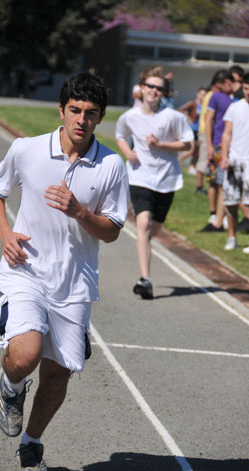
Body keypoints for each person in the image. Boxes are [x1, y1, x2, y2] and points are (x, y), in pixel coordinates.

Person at [0, 72, 129, 471]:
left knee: (57, 373)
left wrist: (80, 211)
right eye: (76, 110)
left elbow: (113, 231)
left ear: (100, 119)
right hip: (25, 270)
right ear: (62, 110)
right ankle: (11, 386)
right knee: (26, 355)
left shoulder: (111, 165)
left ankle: (31, 444)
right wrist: (4, 233)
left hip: (75, 283)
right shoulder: (26, 150)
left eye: (91, 113)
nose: (82, 119)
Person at [115, 66, 193, 299]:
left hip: (166, 179)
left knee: (153, 230)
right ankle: (145, 279)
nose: (154, 91)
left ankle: (145, 247)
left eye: (159, 88)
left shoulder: (174, 117)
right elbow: (120, 135)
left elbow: (188, 143)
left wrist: (162, 145)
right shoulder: (130, 116)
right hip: (139, 176)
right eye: (150, 86)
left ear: (164, 93)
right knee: (143, 223)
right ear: (141, 88)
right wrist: (127, 152)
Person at [200, 69, 233, 232]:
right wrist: (210, 145)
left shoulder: (233, 97)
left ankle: (223, 216)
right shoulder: (216, 96)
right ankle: (215, 215)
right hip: (219, 144)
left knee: (222, 182)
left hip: (228, 144)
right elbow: (208, 119)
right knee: (215, 180)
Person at [220, 71, 249, 251]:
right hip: (233, 159)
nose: (248, 92)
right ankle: (232, 237)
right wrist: (224, 156)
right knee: (230, 201)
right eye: (246, 88)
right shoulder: (235, 107)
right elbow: (227, 133)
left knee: (247, 202)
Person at [177, 86, 206, 175]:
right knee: (191, 150)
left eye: (204, 95)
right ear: (197, 94)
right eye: (202, 94)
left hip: (199, 131)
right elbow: (180, 110)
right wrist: (187, 118)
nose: (203, 96)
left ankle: (192, 167)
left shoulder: (204, 105)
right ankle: (177, 162)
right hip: (191, 130)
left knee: (196, 151)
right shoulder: (193, 103)